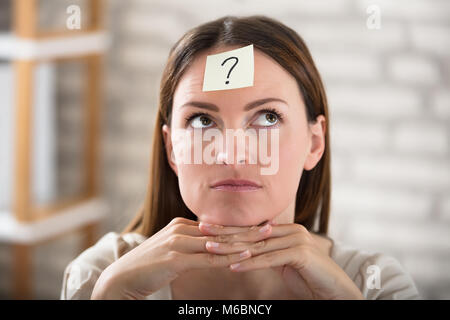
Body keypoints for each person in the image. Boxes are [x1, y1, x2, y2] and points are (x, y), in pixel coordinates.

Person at [61, 15, 421, 300]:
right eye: (203, 120)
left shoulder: (377, 286)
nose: (232, 151)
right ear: (171, 148)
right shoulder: (98, 276)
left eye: (267, 117)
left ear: (314, 143)